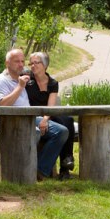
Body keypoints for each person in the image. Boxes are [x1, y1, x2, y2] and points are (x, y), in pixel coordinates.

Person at [0, 48, 68, 180]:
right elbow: (2, 105)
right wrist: (20, 87)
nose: (21, 64)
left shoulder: (23, 79)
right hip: (6, 122)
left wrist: (45, 118)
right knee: (35, 132)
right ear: (7, 63)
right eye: (16, 61)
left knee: (62, 131)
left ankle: (40, 171)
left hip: (28, 119)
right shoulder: (1, 81)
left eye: (22, 61)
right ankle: (22, 172)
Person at [25, 51, 75, 180]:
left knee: (68, 120)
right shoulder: (27, 79)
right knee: (64, 126)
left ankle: (65, 164)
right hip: (32, 116)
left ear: (45, 65)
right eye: (31, 63)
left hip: (47, 114)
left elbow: (50, 105)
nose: (33, 66)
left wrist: (45, 119)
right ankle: (65, 163)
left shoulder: (52, 83)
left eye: (37, 63)